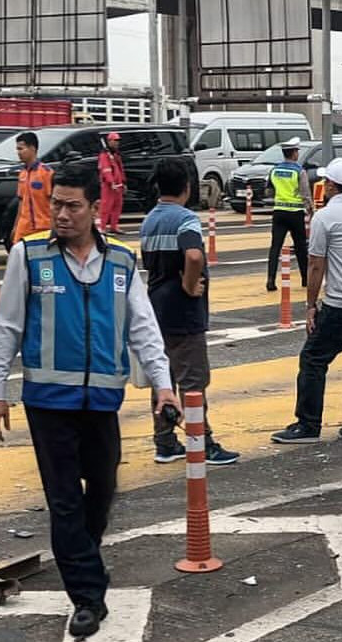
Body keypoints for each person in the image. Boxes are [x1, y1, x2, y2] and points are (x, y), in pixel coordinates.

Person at [0, 163, 179, 639]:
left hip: (102, 399)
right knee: (65, 501)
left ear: (96, 208)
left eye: (73, 205)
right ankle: (88, 597)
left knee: (104, 489)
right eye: (56, 204)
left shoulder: (120, 261)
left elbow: (142, 327)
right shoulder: (29, 257)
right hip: (49, 401)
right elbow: (6, 325)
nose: (62, 214)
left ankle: (83, 557)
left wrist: (163, 383)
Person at [271, 157, 342, 444]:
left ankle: (308, 424)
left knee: (313, 359)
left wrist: (311, 306)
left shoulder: (325, 218)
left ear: (332, 186)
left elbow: (315, 265)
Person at [141, 158, 240, 466]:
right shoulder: (185, 219)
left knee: (164, 378)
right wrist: (188, 285)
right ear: (187, 187)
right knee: (193, 380)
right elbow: (194, 255)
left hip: (156, 308)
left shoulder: (149, 220)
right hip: (184, 313)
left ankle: (165, 441)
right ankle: (202, 441)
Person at [265, 137, 313, 291]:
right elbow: (305, 194)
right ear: (293, 153)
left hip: (279, 212)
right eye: (297, 151)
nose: (298, 154)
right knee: (300, 247)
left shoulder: (274, 170)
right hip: (295, 213)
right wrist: (311, 210)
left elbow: (269, 189)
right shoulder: (299, 171)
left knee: (275, 247)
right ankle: (305, 279)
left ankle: (271, 280)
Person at [12, 131, 54, 243]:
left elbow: (53, 202)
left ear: (32, 148)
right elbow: (21, 202)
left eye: (21, 149)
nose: (18, 153)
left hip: (44, 226)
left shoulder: (46, 173)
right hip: (24, 227)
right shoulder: (22, 174)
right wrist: (16, 226)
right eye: (17, 149)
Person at [98, 131, 126, 235]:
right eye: (115, 141)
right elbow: (106, 170)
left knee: (117, 206)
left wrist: (123, 182)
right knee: (106, 206)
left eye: (118, 141)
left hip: (118, 185)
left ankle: (114, 226)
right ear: (109, 141)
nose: (117, 143)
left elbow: (120, 169)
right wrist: (111, 182)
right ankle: (102, 227)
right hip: (109, 186)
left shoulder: (115, 155)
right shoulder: (104, 155)